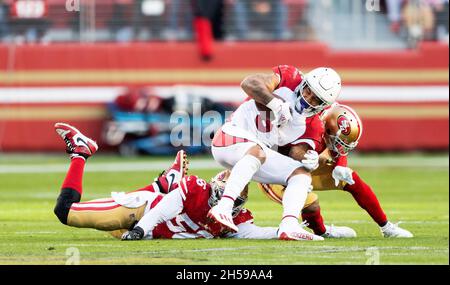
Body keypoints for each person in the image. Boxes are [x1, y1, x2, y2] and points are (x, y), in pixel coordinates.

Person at [52, 122, 354, 240]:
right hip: (143, 212)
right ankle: (82, 152)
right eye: (224, 192)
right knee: (65, 213)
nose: (223, 195)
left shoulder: (236, 223)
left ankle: (165, 181)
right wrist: (142, 228)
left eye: (231, 199)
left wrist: (300, 233)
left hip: (148, 226)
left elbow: (263, 232)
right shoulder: (197, 189)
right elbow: (169, 206)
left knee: (115, 227)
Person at [209, 65, 342, 241]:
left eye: (316, 99)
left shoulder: (313, 125)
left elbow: (296, 152)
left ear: (323, 105)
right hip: (229, 139)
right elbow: (249, 83)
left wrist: (311, 159)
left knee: (300, 174)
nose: (307, 98)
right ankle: (224, 207)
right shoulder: (289, 78)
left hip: (255, 157)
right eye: (308, 90)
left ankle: (289, 225)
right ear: (304, 83)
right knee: (258, 151)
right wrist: (275, 104)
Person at [260, 103, 414, 238]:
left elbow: (337, 147)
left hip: (307, 165)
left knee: (352, 180)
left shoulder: (332, 117)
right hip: (277, 171)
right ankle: (321, 231)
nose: (339, 147)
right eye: (337, 142)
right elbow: (284, 151)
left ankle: (386, 227)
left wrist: (340, 164)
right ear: (326, 128)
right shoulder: (304, 122)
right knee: (311, 202)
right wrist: (311, 160)